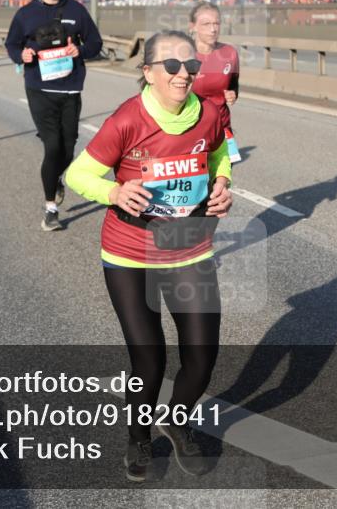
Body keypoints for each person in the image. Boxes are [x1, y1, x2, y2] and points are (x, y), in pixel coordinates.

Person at [66, 30, 233, 481]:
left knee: (202, 356)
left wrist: (222, 185)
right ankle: (138, 439)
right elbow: (78, 174)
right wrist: (114, 192)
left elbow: (219, 156)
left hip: (190, 248)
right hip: (130, 255)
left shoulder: (209, 113)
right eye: (171, 66)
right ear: (148, 72)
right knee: (150, 359)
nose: (183, 74)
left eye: (190, 65)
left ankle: (176, 421)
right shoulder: (128, 119)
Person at [5, 0, 103, 231]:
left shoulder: (76, 11)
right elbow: (12, 44)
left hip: (70, 88)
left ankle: (56, 178)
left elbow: (95, 43)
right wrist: (21, 55)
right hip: (40, 88)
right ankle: (50, 209)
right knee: (52, 146)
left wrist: (80, 51)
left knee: (68, 148)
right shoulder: (26, 14)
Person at [188, 2, 242, 163]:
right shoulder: (183, 54)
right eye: (206, 24)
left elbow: (233, 85)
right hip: (191, 129)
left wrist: (233, 94)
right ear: (193, 26)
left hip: (221, 128)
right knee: (199, 178)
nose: (213, 29)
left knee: (222, 177)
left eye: (216, 23)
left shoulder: (229, 53)